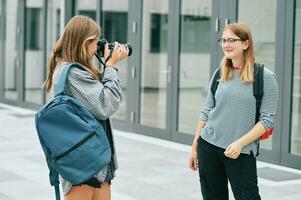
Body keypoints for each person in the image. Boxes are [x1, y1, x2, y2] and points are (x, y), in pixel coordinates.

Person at [188, 23, 278, 200]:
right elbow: (206, 110)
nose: (226, 44)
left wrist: (239, 144)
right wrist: (195, 147)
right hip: (208, 146)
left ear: (245, 44)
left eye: (231, 40)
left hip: (241, 151)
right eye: (223, 40)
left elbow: (267, 119)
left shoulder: (265, 77)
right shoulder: (220, 73)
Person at [44, 15, 128, 200]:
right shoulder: (73, 73)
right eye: (95, 43)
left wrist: (106, 65)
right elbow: (106, 104)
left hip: (92, 160)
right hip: (85, 163)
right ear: (85, 42)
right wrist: (111, 66)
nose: (95, 49)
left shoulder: (71, 69)